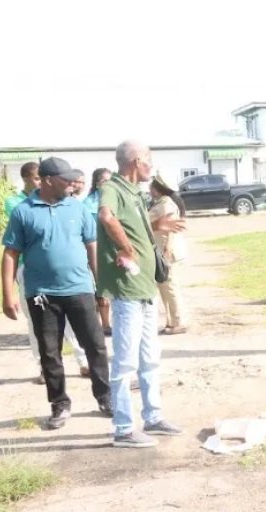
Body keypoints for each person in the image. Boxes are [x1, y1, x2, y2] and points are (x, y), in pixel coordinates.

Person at [0, 157, 111, 429]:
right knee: (50, 352)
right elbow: (11, 253)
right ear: (48, 180)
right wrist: (8, 294)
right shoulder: (23, 211)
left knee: (95, 345)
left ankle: (105, 396)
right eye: (66, 179)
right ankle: (59, 404)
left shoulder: (77, 207)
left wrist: (101, 285)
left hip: (79, 288)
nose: (72, 184)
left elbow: (92, 245)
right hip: (42, 294)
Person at [97, 140, 184, 448]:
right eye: (149, 161)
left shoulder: (135, 193)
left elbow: (131, 224)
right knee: (124, 363)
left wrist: (155, 224)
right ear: (136, 161)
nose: (151, 167)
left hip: (145, 288)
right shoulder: (113, 188)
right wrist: (125, 247)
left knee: (149, 360)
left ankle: (153, 417)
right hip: (128, 291)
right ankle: (123, 429)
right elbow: (106, 216)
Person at [3, 162, 44, 382]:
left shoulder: (49, 199)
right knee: (35, 317)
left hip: (49, 264)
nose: (40, 182)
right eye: (36, 178)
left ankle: (82, 359)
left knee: (65, 315)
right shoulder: (14, 203)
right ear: (26, 179)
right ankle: (43, 365)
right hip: (27, 265)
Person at [148, 173, 189, 334]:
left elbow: (171, 230)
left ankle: (178, 321)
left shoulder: (166, 205)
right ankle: (171, 322)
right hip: (161, 251)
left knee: (170, 287)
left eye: (152, 186)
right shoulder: (161, 203)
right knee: (164, 287)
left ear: (157, 189)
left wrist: (167, 251)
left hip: (167, 252)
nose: (149, 189)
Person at [85, 168, 113, 335]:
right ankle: (104, 324)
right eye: (105, 181)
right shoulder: (88, 205)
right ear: (97, 184)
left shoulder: (114, 199)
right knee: (99, 289)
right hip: (96, 251)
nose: (109, 184)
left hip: (113, 250)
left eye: (111, 181)